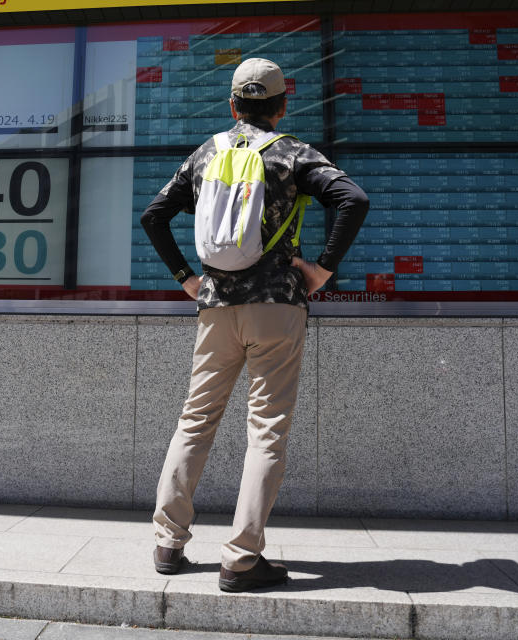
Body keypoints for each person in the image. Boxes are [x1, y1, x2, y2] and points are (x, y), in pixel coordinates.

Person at [141, 58, 369, 592]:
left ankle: (168, 543)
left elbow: (154, 215)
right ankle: (241, 559)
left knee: (195, 420)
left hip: (216, 307)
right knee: (265, 432)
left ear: (232, 105)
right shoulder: (291, 153)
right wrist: (321, 270)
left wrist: (184, 278)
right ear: (282, 105)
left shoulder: (207, 153)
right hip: (277, 307)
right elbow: (352, 199)